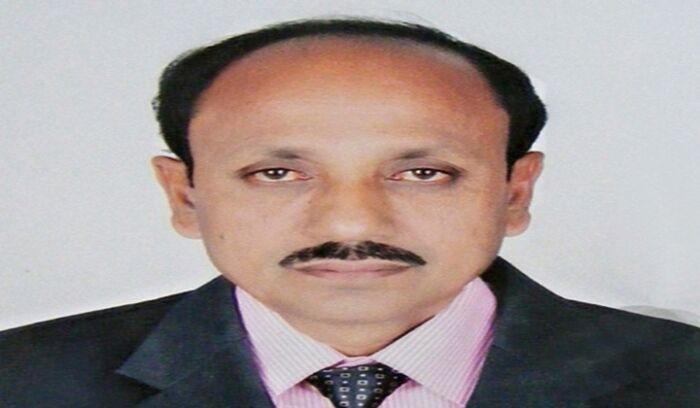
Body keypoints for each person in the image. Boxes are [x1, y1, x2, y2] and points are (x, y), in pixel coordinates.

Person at [1, 18, 698, 408]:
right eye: (278, 174)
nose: (352, 225)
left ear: (515, 192)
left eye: (422, 173)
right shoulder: (21, 383)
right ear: (185, 194)